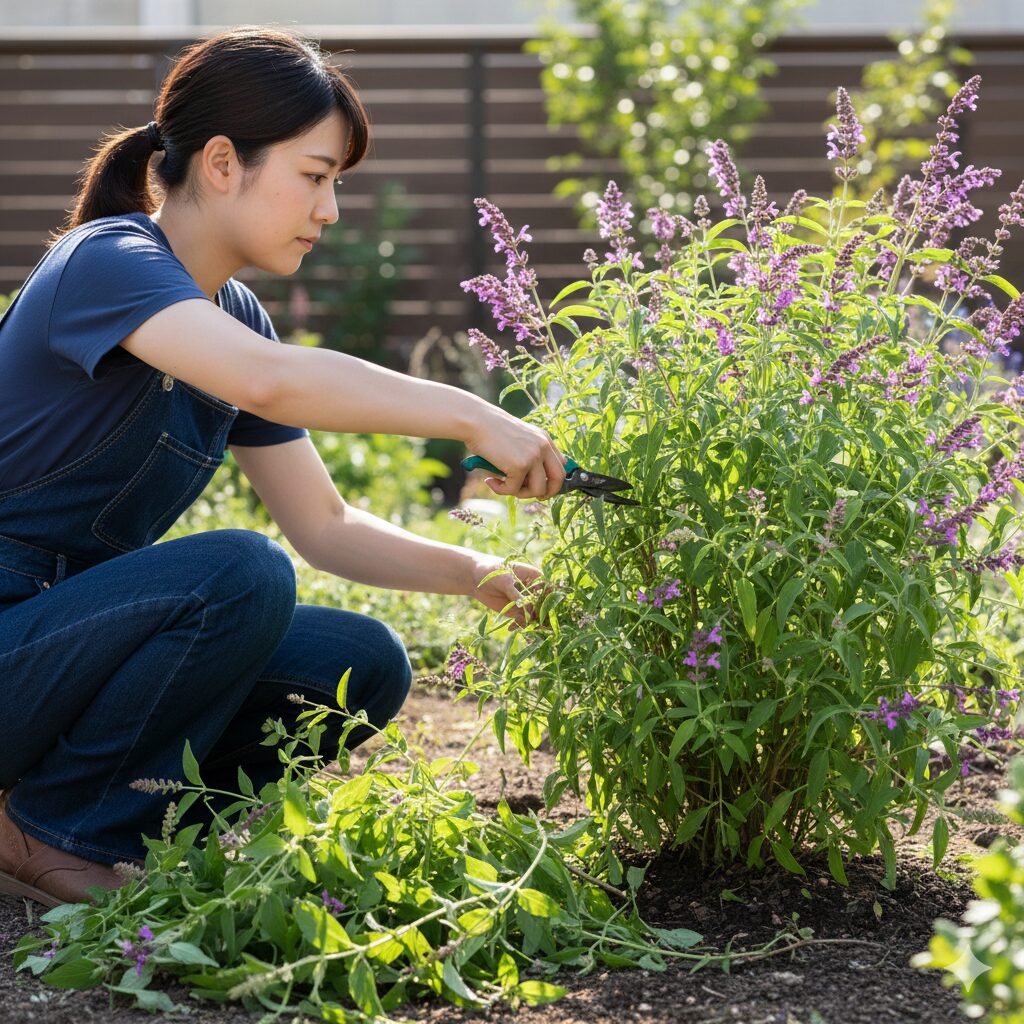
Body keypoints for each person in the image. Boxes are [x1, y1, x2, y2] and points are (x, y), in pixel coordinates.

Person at [0, 26, 565, 908]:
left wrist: (482, 574)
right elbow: (274, 383)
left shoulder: (235, 316)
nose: (330, 209)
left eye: (335, 182)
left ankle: (92, 817)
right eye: (314, 176)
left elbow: (327, 527)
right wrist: (472, 413)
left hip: (65, 653)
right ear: (222, 163)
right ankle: (54, 831)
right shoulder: (108, 261)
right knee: (239, 572)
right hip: (14, 642)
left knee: (361, 663)